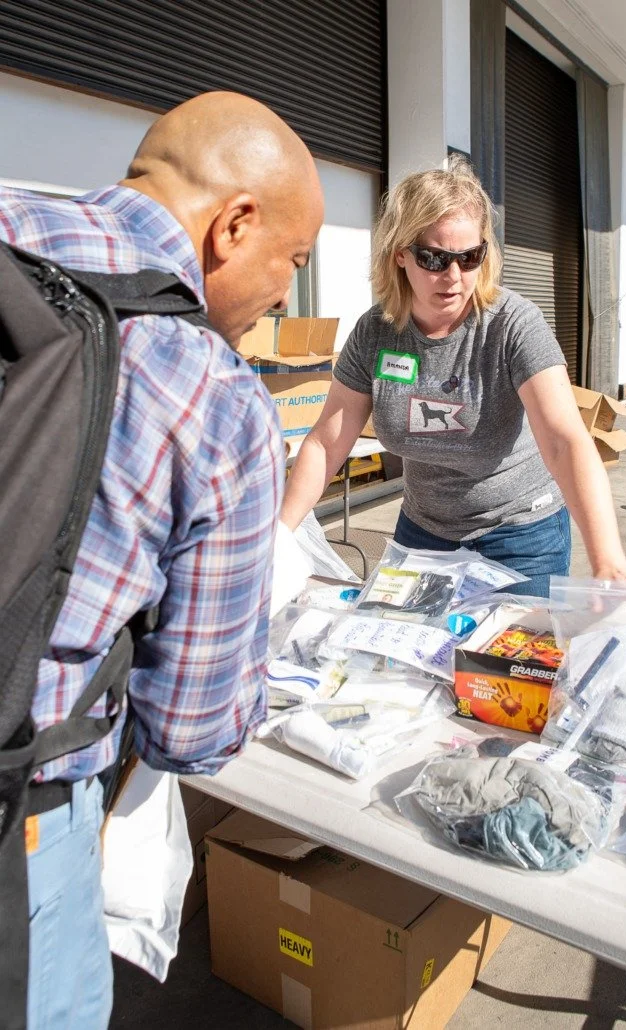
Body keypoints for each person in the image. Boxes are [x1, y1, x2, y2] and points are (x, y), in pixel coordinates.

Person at [0, 91, 323, 1030]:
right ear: (233, 226)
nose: (281, 297)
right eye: (291, 264)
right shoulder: (211, 393)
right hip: (25, 810)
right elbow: (193, 725)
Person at [281, 158, 626, 595]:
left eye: (469, 257)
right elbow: (325, 443)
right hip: (424, 533)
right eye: (435, 258)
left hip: (521, 535)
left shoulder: (513, 324)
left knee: (505, 662)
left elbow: (564, 441)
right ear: (400, 253)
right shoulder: (375, 332)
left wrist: (608, 560)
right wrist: (278, 539)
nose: (454, 277)